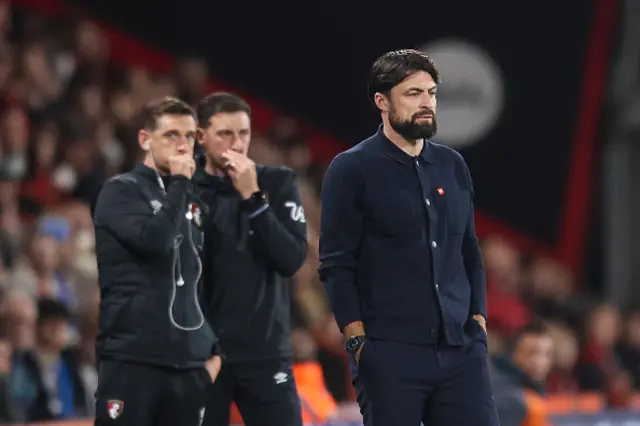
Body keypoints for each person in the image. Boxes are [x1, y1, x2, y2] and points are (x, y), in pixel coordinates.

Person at [319, 49, 499, 426]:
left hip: (460, 350)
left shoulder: (452, 165)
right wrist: (357, 342)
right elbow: (336, 264)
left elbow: (469, 250)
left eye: (431, 93)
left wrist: (478, 322)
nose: (427, 103)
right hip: (389, 353)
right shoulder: (351, 168)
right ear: (381, 101)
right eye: (413, 93)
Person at [92, 97, 222, 426]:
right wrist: (180, 183)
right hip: (133, 362)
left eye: (190, 136)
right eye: (171, 135)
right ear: (144, 139)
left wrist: (215, 355)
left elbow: (210, 280)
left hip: (189, 370)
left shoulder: (195, 204)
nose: (183, 145)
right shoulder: (120, 192)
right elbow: (156, 242)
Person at [193, 92, 307, 426]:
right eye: (225, 134)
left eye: (243, 133)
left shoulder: (277, 182)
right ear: (202, 136)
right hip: (205, 356)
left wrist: (253, 199)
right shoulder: (185, 190)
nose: (236, 143)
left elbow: (290, 259)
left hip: (265, 354)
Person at [491, 322, 554, 426]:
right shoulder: (512, 399)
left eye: (547, 354)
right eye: (531, 352)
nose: (539, 362)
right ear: (514, 353)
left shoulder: (532, 389)